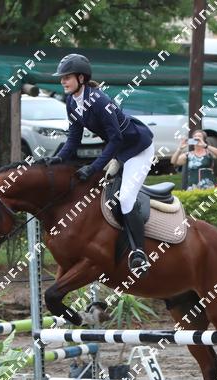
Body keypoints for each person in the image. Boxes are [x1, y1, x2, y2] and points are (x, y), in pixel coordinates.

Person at [44, 53, 156, 275]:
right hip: (120, 151)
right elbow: (73, 139)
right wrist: (59, 158)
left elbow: (116, 139)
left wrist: (94, 167)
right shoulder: (71, 102)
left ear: (81, 78)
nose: (63, 81)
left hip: (138, 150)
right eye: (62, 77)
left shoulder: (99, 101)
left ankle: (139, 253)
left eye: (67, 77)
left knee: (125, 198)